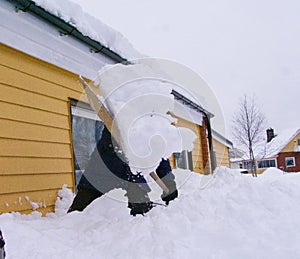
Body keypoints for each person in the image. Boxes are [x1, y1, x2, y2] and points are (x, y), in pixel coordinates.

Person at [68, 126, 178, 216]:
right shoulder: (118, 119)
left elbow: (159, 155)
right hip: (97, 178)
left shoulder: (150, 127)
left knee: (140, 219)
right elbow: (115, 151)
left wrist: (168, 182)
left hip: (132, 178)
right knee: (75, 217)